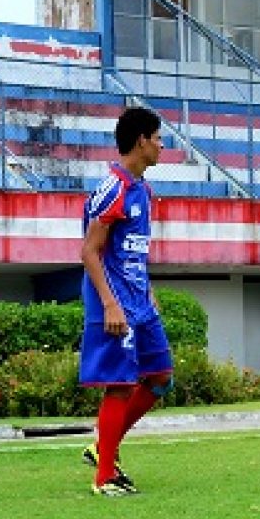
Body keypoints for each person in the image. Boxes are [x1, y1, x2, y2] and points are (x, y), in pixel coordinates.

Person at [78, 106, 171, 496]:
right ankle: (105, 478)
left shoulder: (143, 191)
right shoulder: (113, 188)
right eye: (158, 138)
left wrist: (147, 293)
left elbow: (131, 253)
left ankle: (104, 446)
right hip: (114, 305)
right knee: (119, 385)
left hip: (139, 304)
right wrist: (110, 304)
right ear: (141, 141)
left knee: (161, 377)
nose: (163, 146)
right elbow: (90, 252)